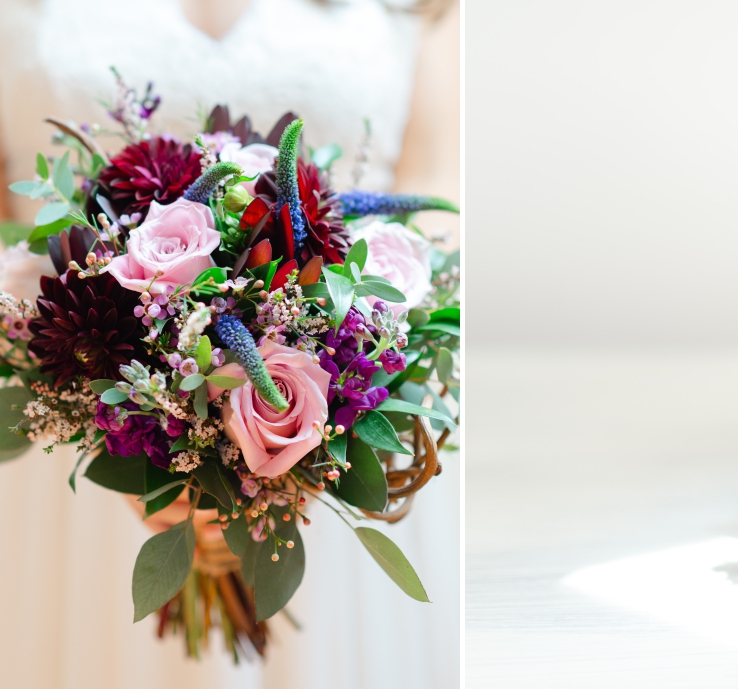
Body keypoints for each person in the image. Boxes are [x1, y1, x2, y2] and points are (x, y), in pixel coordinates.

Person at [0, 1, 459, 686]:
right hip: (80, 431)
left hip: (341, 441)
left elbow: (441, 190)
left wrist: (310, 423)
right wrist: (127, 425)